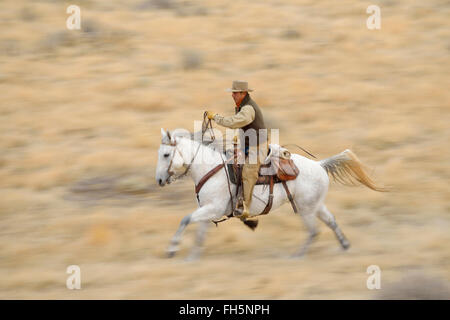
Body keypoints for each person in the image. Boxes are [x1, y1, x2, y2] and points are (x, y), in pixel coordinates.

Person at [207, 80, 268, 220]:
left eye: (235, 93)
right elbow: (243, 124)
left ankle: (245, 207)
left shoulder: (248, 108)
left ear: (243, 93)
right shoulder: (242, 106)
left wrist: (216, 117)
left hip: (258, 147)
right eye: (232, 93)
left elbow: (235, 122)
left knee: (248, 171)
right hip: (247, 144)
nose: (232, 96)